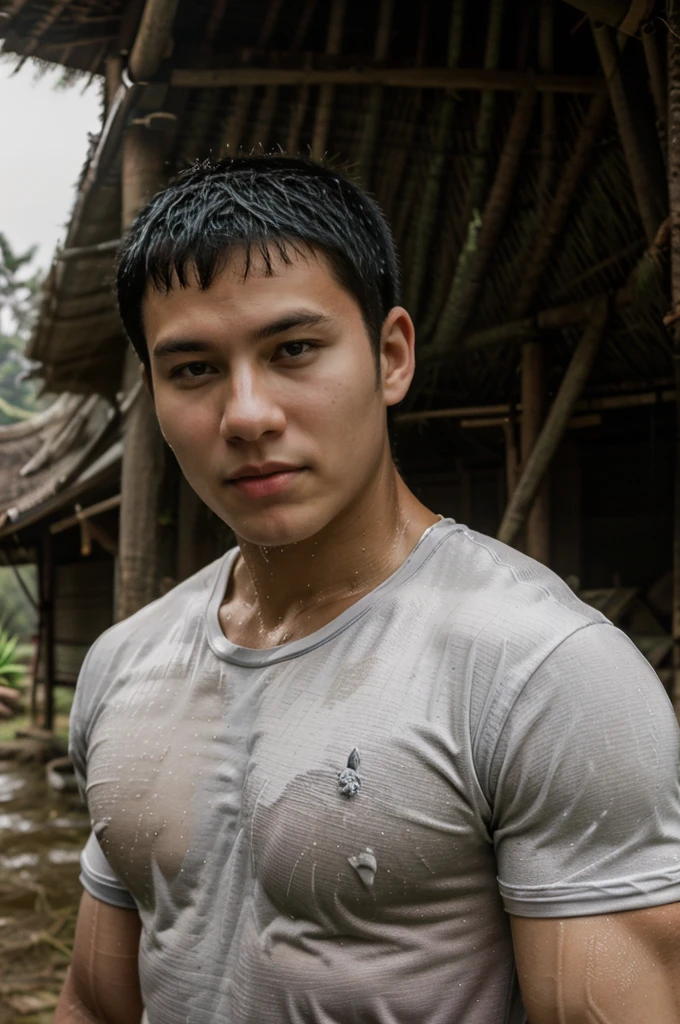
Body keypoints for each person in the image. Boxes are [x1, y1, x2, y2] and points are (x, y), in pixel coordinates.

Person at [55, 156, 680, 1024]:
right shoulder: (123, 666)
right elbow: (94, 1000)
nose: (246, 415)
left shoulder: (543, 674)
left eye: (294, 350)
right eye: (193, 369)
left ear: (390, 356)